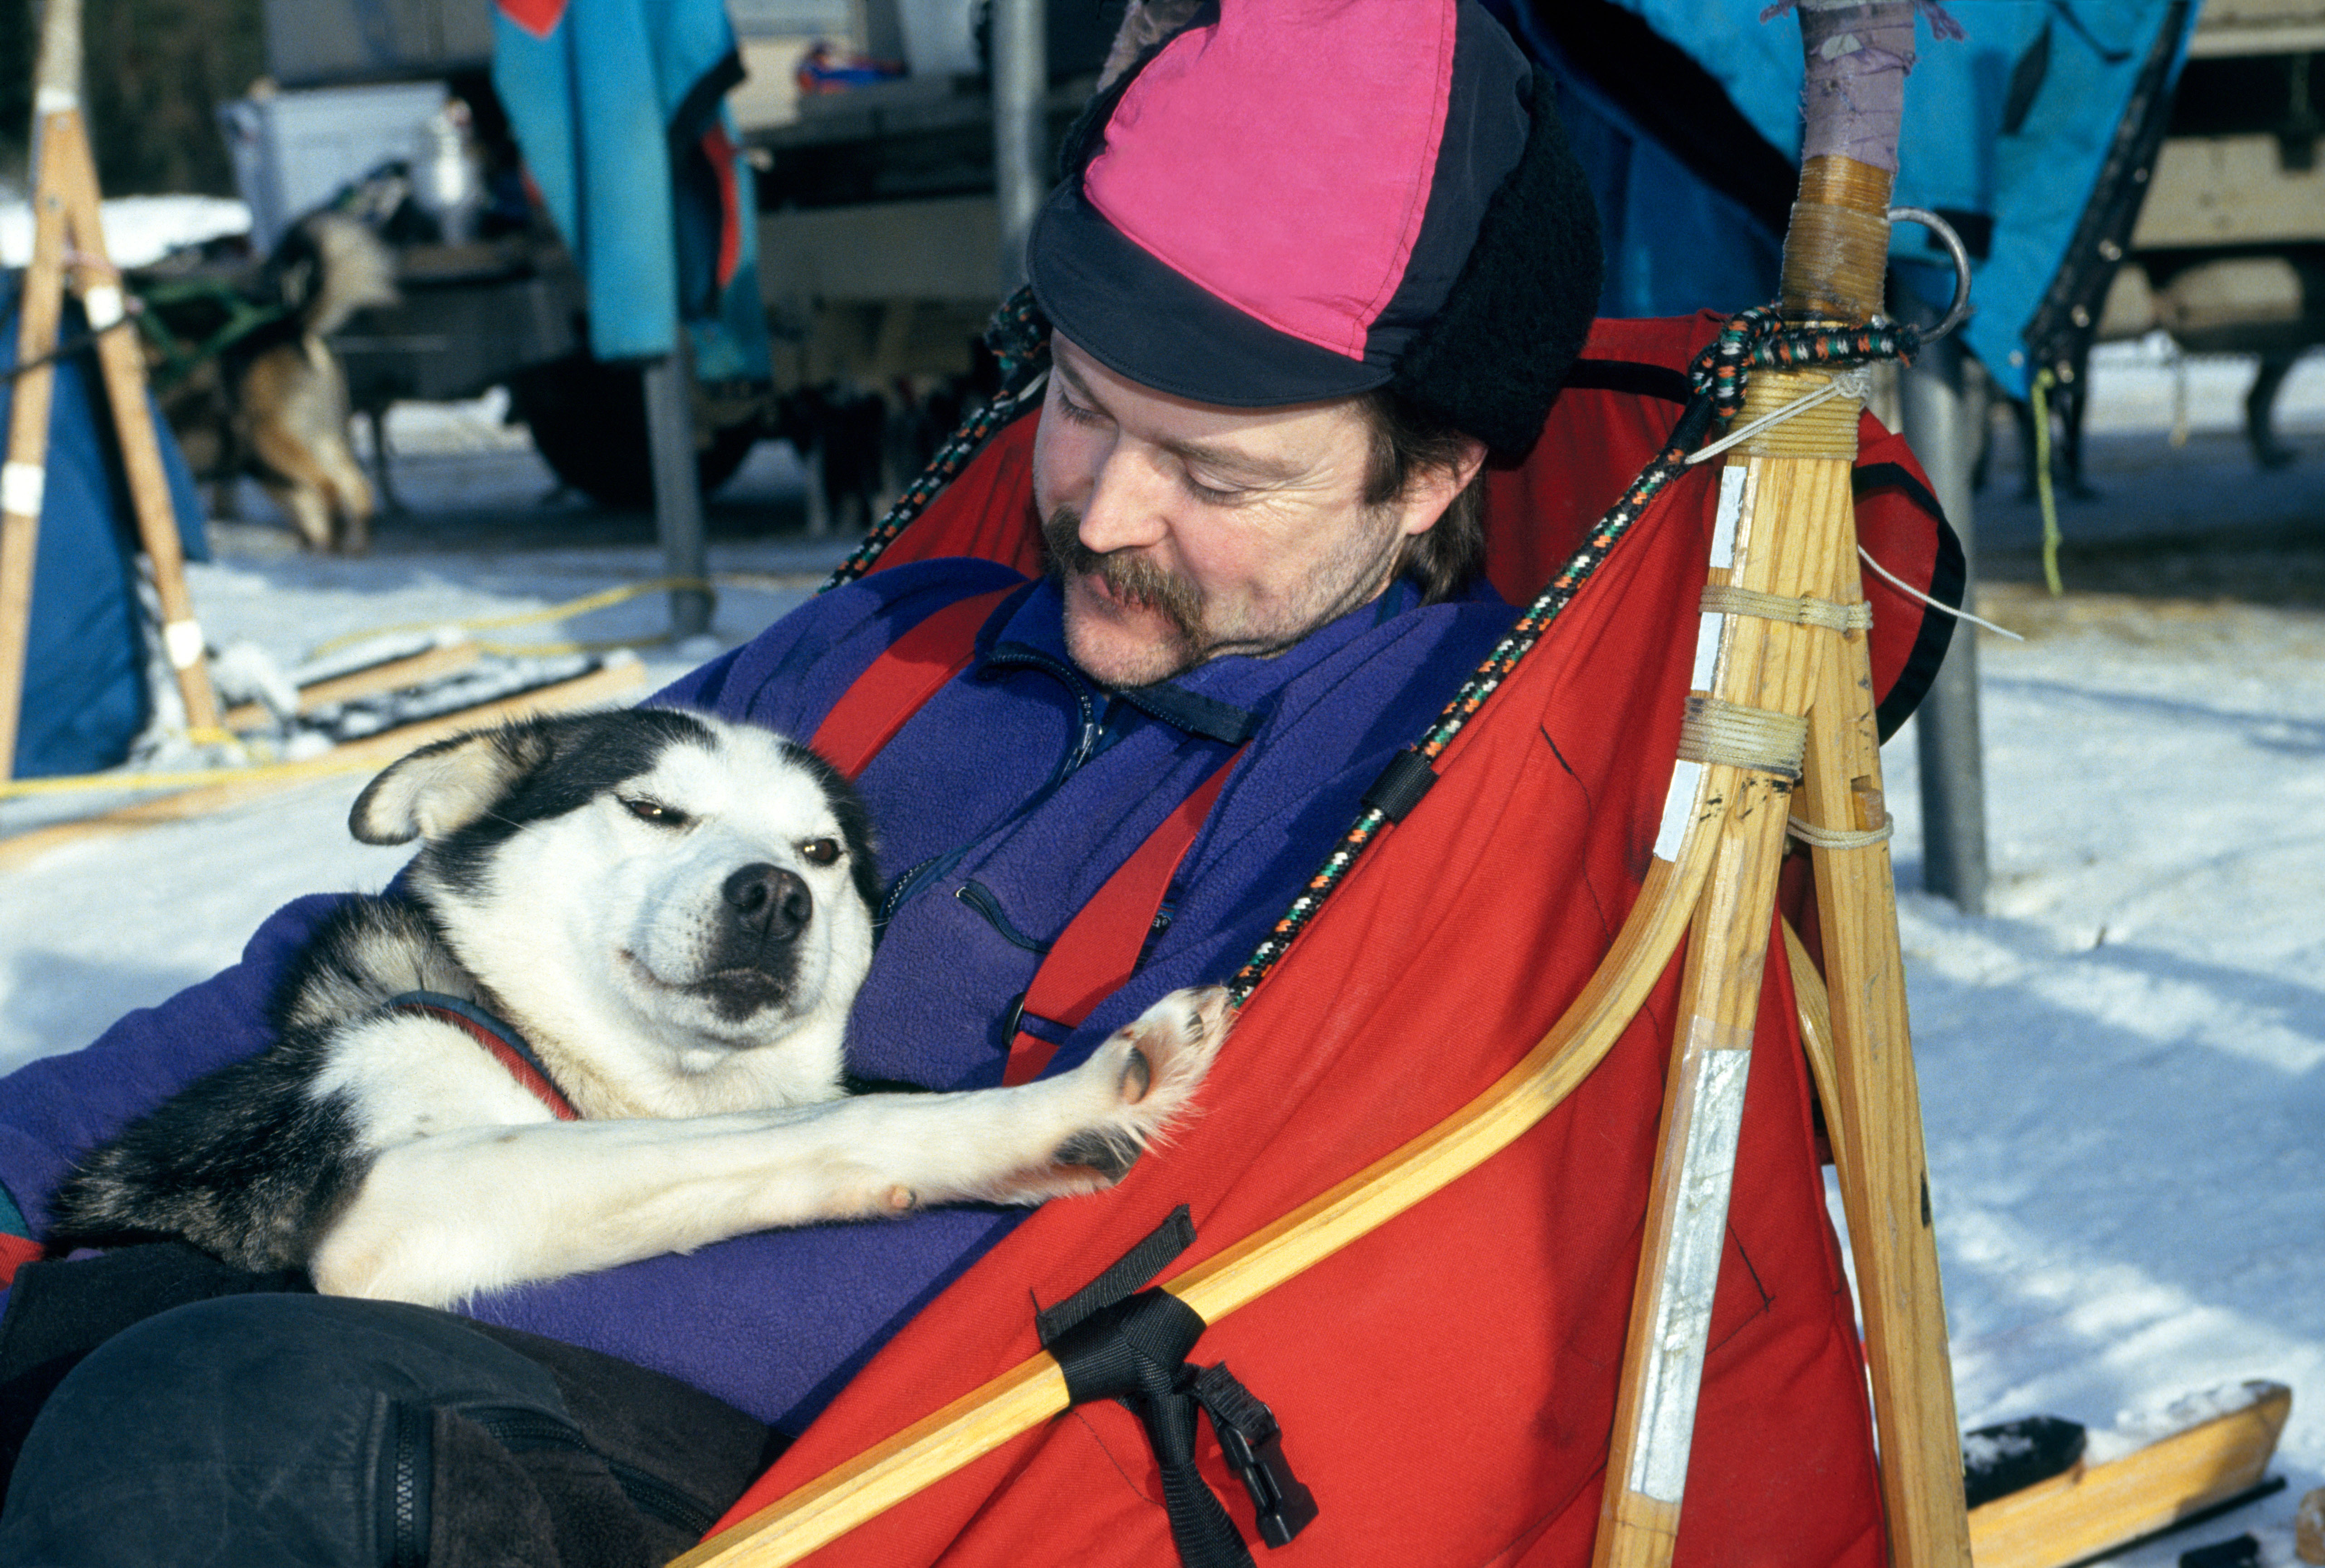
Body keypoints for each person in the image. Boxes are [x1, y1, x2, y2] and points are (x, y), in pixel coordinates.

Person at [0, 3, 1631, 1562]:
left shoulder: (1412, 755)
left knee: (205, 1422)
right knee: (84, 1338)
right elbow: (434, 930)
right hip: (450, 1265)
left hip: (869, 1450)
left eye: (1214, 474)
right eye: (1078, 407)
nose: (1109, 512)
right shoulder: (893, 639)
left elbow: (1150, 1228)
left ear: (1428, 477)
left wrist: (418, 1245)